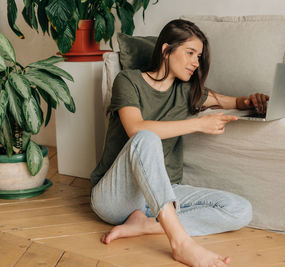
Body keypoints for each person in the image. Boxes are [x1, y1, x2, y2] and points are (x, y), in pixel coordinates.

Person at [90, 19, 269, 267]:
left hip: (163, 195)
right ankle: (181, 243)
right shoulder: (128, 81)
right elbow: (136, 128)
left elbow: (234, 102)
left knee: (240, 209)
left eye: (199, 56)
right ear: (166, 50)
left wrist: (253, 101)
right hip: (116, 198)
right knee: (146, 137)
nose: (196, 62)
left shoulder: (188, 91)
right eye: (190, 53)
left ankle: (145, 225)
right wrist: (198, 124)